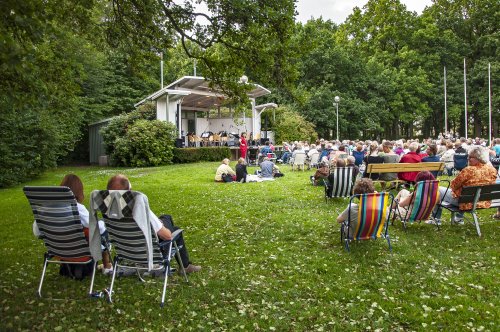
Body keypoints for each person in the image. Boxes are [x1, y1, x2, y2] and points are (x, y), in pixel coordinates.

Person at [106, 174, 201, 273]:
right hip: (148, 249)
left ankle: (160, 223)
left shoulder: (106, 208)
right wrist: (160, 226)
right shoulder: (137, 205)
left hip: (126, 250)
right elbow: (167, 236)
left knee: (166, 217)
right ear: (130, 191)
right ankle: (185, 266)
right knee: (176, 230)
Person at [32, 174, 113, 274]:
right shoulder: (78, 208)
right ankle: (107, 266)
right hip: (80, 251)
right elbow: (97, 227)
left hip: (58, 251)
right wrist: (101, 223)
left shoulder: (45, 209)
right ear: (79, 192)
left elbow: (36, 231)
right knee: (103, 229)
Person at [432, 146, 497, 224]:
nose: (468, 159)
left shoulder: (468, 170)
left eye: (470, 157)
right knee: (465, 192)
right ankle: (459, 218)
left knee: (436, 189)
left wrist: (456, 187)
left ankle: (436, 219)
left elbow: (453, 185)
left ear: (478, 158)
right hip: (483, 201)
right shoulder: (492, 169)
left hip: (466, 202)